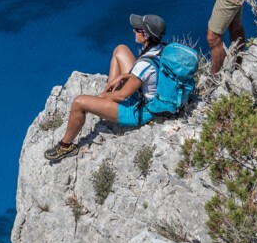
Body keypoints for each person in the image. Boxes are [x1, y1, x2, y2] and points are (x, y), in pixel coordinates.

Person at [44, 14, 167, 162]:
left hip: (138, 111)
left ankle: (66, 147)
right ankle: (109, 93)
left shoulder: (144, 65)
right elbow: (147, 75)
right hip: (142, 91)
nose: (134, 30)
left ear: (146, 34)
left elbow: (122, 96)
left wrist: (101, 97)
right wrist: (123, 76)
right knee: (120, 49)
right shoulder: (160, 49)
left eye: (137, 29)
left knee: (79, 102)